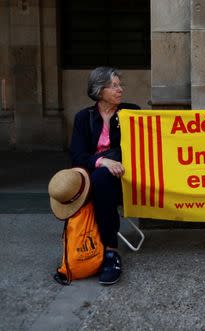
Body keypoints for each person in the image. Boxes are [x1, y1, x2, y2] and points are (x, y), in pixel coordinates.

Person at [70, 67, 140, 285]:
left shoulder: (131, 112)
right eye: (114, 86)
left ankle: (110, 252)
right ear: (100, 90)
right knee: (99, 178)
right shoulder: (83, 117)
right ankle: (98, 248)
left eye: (120, 85)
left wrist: (115, 161)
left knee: (102, 179)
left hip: (125, 178)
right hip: (96, 179)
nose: (120, 90)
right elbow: (77, 156)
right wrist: (103, 161)